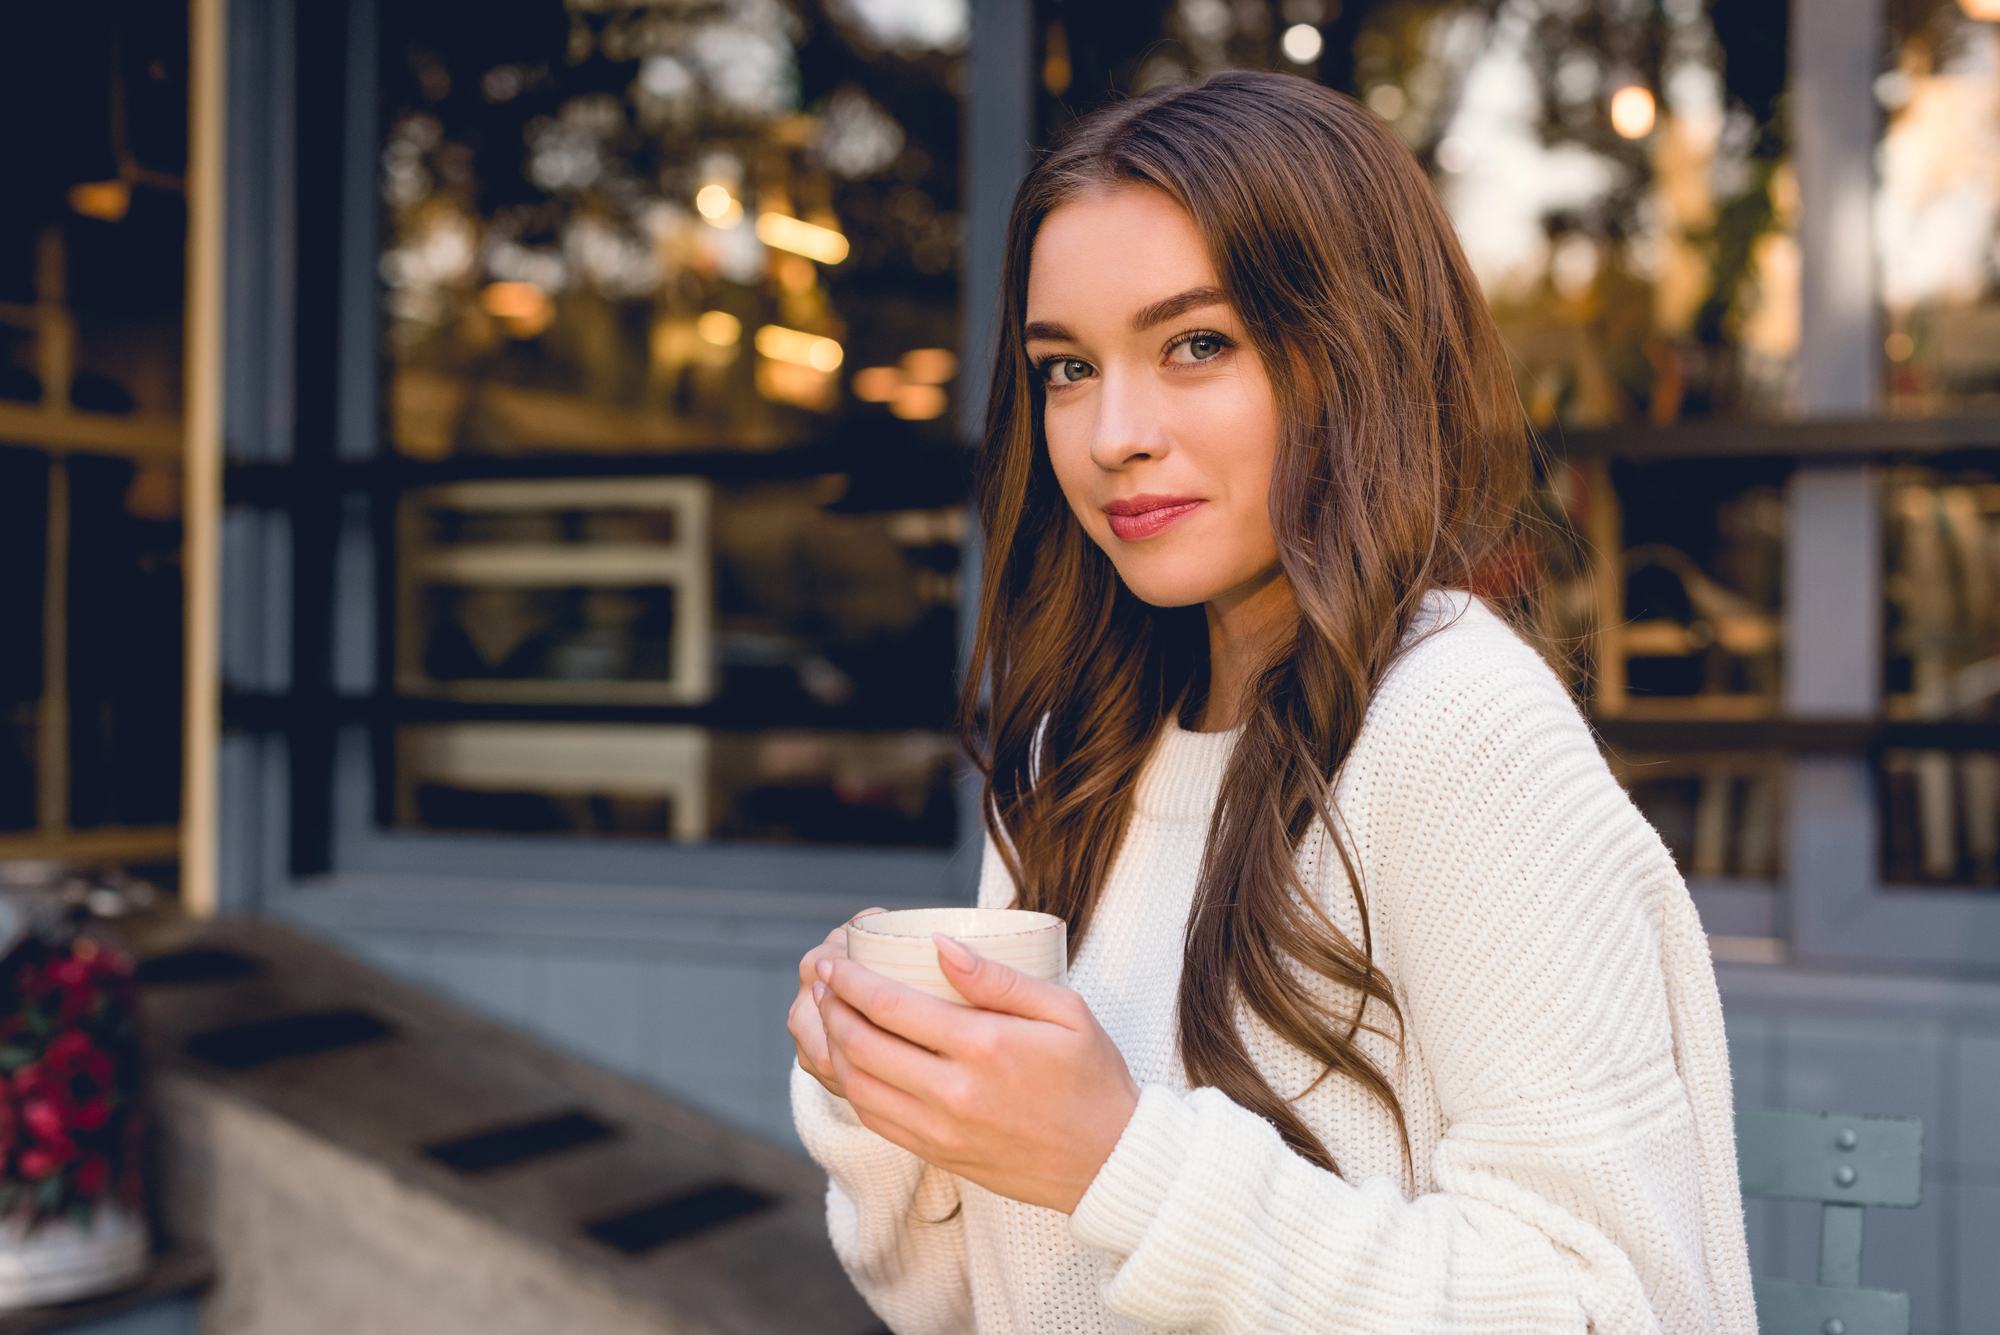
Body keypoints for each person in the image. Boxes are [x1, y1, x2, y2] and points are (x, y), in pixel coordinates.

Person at [787, 69, 1755, 1335]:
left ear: (1352, 353)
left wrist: (1118, 1161)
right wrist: (883, 1101)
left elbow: (1606, 1307)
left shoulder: (1455, 726)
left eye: (1195, 345)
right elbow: (959, 1305)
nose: (1111, 432)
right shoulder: (1068, 751)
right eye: (1065, 368)